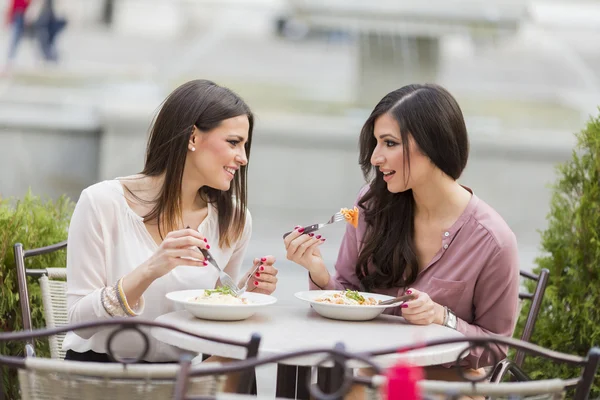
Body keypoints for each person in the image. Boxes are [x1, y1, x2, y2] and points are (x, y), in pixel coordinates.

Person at [284, 84, 520, 381]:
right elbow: (350, 295)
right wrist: (318, 273)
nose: (375, 158)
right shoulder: (372, 206)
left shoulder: (493, 241)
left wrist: (441, 317)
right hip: (373, 372)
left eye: (390, 143)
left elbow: (495, 346)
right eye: (376, 143)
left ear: (433, 144)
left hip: (446, 382)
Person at [63, 79, 278, 364]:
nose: (243, 158)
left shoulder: (234, 220)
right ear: (192, 137)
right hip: (101, 374)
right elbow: (79, 320)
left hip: (181, 379)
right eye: (233, 142)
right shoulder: (102, 202)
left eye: (245, 145)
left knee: (238, 364)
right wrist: (152, 268)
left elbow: (212, 322)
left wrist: (244, 294)